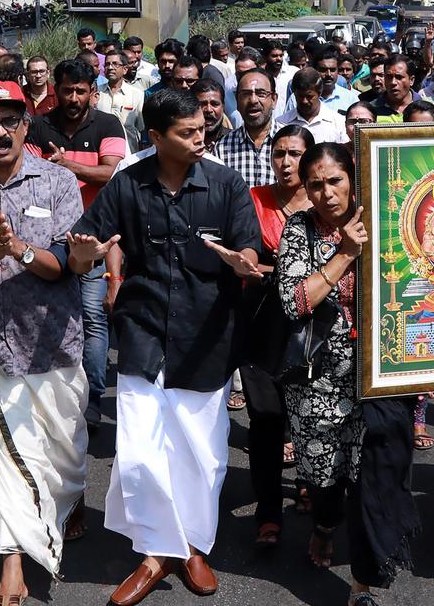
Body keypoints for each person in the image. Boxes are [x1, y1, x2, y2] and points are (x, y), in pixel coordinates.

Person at [68, 88, 262, 605]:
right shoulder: (128, 184)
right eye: (187, 133)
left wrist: (243, 261)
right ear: (155, 137)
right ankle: (156, 554)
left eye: (202, 130)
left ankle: (194, 546)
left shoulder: (225, 182)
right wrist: (86, 255)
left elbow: (250, 243)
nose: (200, 139)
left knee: (202, 456)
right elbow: (84, 245)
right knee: (141, 455)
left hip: (207, 340)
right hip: (144, 334)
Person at [0, 80, 88, 601]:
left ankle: (59, 509)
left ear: (27, 125)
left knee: (65, 458)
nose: (0, 131)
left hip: (54, 341)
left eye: (10, 121)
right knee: (7, 458)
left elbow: (64, 267)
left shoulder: (56, 182)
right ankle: (12, 558)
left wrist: (19, 249)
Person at [278, 143, 420, 606]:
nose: (325, 193)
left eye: (334, 181)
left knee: (369, 481)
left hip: (375, 379)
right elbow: (294, 302)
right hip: (316, 382)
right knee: (323, 479)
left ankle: (363, 582)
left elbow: (425, 286)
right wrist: (344, 254)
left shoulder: (387, 218)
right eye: (314, 184)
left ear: (353, 180)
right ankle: (322, 524)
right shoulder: (299, 228)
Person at [26, 59, 126, 430]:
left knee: (93, 320)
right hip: (49, 239)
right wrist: (68, 169)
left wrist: (66, 165)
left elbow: (110, 171)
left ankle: (93, 397)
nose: (73, 97)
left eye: (80, 91)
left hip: (93, 239)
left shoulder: (108, 124)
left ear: (91, 93)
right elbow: (33, 176)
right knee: (47, 318)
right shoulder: (38, 126)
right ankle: (53, 396)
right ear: (58, 89)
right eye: (66, 90)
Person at [239, 124, 315, 546]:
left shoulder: (326, 203)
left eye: (294, 154)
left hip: (313, 331)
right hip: (262, 327)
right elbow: (245, 254)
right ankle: (268, 513)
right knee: (266, 422)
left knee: (310, 416)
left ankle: (308, 481)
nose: (285, 162)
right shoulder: (253, 201)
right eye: (279, 153)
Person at [215, 69, 279, 188]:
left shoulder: (292, 143)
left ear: (274, 100)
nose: (253, 100)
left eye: (261, 93)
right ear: (237, 100)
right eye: (246, 94)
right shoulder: (222, 148)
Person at [277, 67, 348, 144]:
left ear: (320, 93)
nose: (304, 101)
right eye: (300, 96)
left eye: (309, 96)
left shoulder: (338, 122)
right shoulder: (282, 123)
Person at [97, 50, 147, 152]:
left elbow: (141, 128)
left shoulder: (137, 94)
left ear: (124, 69)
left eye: (115, 64)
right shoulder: (96, 92)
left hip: (128, 153)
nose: (110, 68)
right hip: (101, 151)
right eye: (107, 64)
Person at [371, 55, 416, 123]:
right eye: (389, 77)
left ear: (411, 80)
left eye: (399, 77)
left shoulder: (426, 108)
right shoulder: (371, 110)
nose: (393, 82)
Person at [194, 79, 230, 152]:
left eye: (215, 104)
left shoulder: (234, 140)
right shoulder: (185, 142)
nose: (209, 110)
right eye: (202, 104)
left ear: (223, 107)